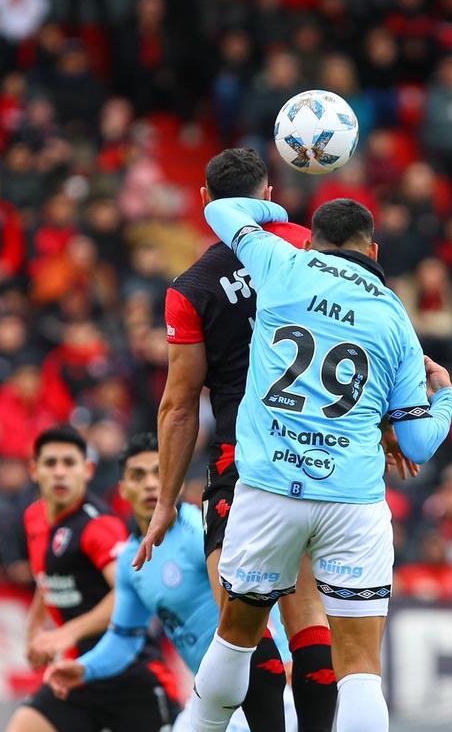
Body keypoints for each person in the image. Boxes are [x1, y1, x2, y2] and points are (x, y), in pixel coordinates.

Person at [139, 189, 452, 732]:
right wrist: (445, 393)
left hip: (268, 490)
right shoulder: (395, 318)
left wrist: (271, 209)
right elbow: (418, 444)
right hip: (351, 504)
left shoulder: (282, 264)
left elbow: (220, 212)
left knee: (235, 635)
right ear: (374, 251)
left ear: (312, 241)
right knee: (359, 667)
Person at [155, 148, 337, 731]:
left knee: (240, 625)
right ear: (268, 193)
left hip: (244, 460)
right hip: (319, 457)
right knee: (308, 613)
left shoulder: (194, 286)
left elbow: (180, 405)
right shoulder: (316, 249)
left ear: (207, 203)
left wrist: (165, 502)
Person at [44, 433, 290, 731]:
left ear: (178, 480)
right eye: (138, 475)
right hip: (213, 691)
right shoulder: (130, 559)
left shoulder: (202, 532)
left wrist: (285, 659)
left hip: (262, 682)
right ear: (123, 490)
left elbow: (256, 598)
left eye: (159, 472)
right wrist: (85, 668)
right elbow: (125, 636)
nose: (150, 483)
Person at [5, 426, 177, 732]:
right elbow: (47, 578)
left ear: (87, 470)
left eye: (69, 463)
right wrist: (34, 628)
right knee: (23, 726)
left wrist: (68, 632)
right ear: (34, 470)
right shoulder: (34, 517)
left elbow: (129, 593)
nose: (59, 473)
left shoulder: (98, 526)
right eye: (50, 463)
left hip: (130, 673)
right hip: (76, 674)